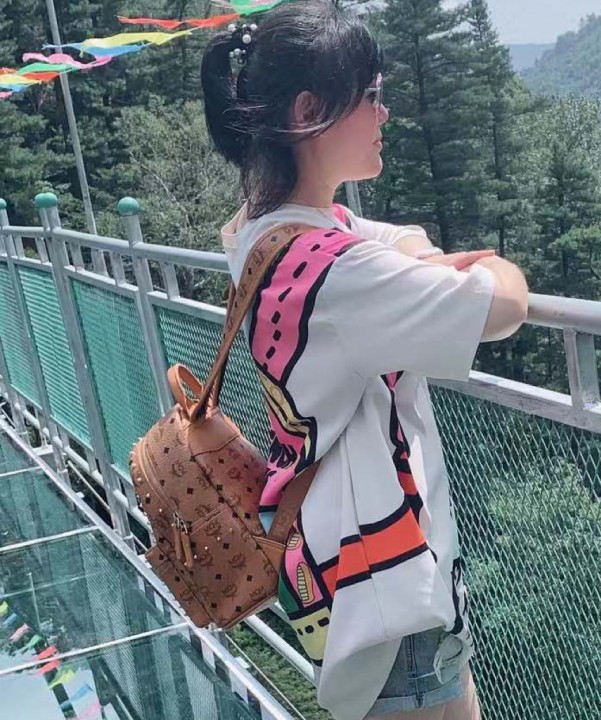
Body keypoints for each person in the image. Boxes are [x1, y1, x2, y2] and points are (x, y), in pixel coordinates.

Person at [201, 1, 528, 718]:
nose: (385, 113)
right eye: (371, 96)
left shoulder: (262, 231)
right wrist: (494, 267)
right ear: (308, 112)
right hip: (391, 592)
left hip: (342, 565)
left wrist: (414, 252)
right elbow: (504, 306)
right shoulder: (339, 273)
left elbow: (379, 231)